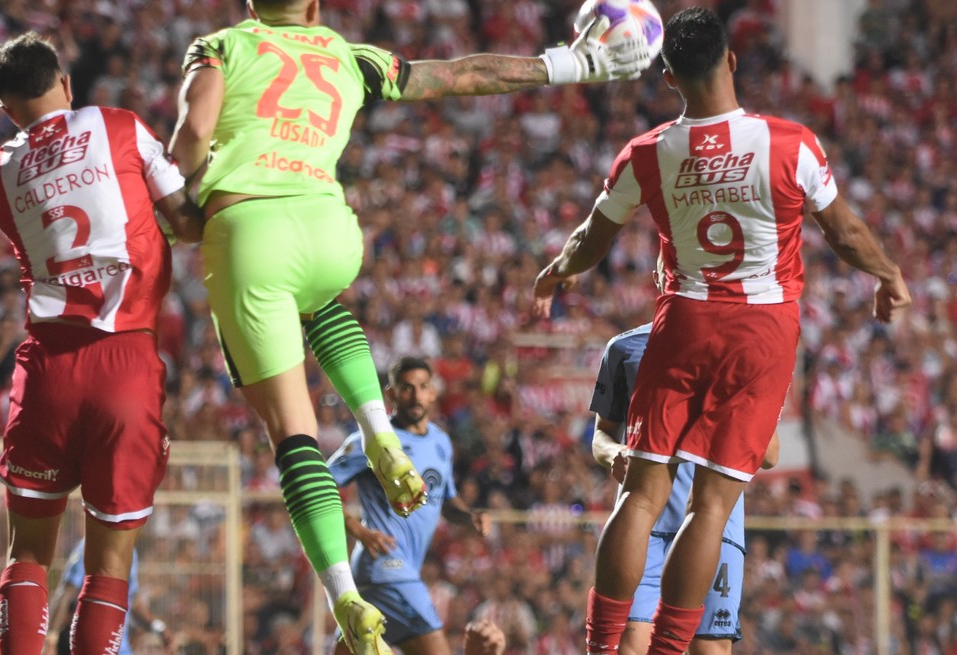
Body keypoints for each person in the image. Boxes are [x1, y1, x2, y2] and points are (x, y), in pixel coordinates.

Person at [170, 1, 652, 651]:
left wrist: (177, 195)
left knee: (294, 435)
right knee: (318, 304)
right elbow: (459, 75)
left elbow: (193, 133)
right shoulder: (346, 53)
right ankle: (378, 430)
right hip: (329, 229)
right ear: (312, 7)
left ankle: (344, 595)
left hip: (249, 227)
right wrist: (575, 63)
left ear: (253, 5)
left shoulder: (221, 46)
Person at [531, 8, 909, 654]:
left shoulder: (648, 152)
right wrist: (887, 274)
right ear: (732, 61)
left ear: (668, 77)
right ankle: (670, 648)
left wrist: (557, 271)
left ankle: (599, 645)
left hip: (683, 320)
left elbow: (592, 236)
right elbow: (844, 231)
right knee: (711, 505)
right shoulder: (791, 144)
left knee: (641, 494)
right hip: (762, 333)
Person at [0, 33, 196, 655]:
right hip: (126, 362)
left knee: (28, 555)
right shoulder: (119, 125)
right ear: (66, 84)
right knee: (109, 564)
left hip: (48, 367)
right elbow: (185, 220)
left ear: (5, 108)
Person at [591, 317, 779, 655]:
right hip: (644, 525)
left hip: (714, 524)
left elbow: (770, 454)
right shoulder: (625, 348)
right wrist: (614, 452)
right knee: (632, 645)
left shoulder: (740, 348)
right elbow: (601, 435)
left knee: (708, 649)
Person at [327, 357, 489, 655]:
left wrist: (469, 517)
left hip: (384, 574)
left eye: (423, 387)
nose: (416, 396)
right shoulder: (373, 440)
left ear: (433, 392)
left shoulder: (441, 441)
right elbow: (319, 485)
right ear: (391, 394)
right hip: (388, 566)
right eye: (406, 388)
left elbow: (446, 500)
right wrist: (359, 531)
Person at [45, 541, 169, 655]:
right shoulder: (89, 546)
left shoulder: (131, 551)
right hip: (92, 646)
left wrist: (158, 628)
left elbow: (132, 601)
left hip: (120, 648)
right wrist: (51, 638)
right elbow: (66, 593)